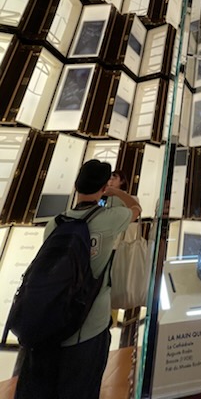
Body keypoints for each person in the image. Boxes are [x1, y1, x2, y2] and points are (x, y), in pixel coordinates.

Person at [14, 159, 142, 399]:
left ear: (76, 185)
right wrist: (113, 191)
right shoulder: (109, 219)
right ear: (103, 187)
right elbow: (136, 207)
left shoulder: (55, 223)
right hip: (88, 327)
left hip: (50, 324)